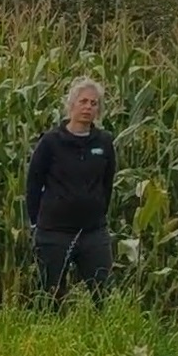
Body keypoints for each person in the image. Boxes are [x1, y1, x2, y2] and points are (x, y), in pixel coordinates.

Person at [24, 76, 118, 307]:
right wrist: (36, 223)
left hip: (93, 233)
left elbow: (107, 183)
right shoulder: (51, 142)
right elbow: (33, 183)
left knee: (103, 296)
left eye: (93, 103)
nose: (88, 107)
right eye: (83, 101)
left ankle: (105, 341)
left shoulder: (104, 143)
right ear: (71, 105)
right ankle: (50, 339)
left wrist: (97, 213)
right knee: (50, 297)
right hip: (54, 233)